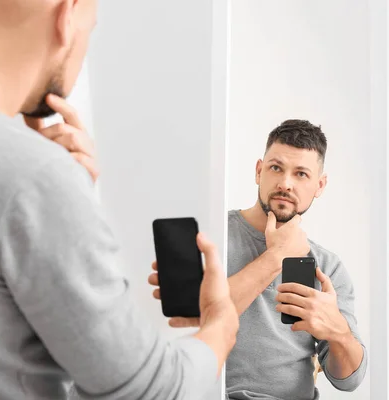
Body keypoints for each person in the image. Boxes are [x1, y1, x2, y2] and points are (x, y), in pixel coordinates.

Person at [0, 1, 238, 399]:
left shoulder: (28, 178)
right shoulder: (33, 178)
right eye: (91, 26)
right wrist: (220, 324)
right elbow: (150, 391)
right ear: (68, 15)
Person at [150, 119, 367, 400]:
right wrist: (276, 257)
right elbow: (196, 319)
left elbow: (349, 380)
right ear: (258, 171)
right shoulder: (211, 237)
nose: (285, 184)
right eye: (276, 168)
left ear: (320, 185)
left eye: (301, 174)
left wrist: (338, 331)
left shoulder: (327, 267)